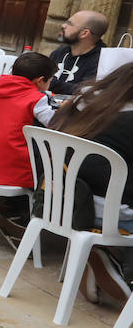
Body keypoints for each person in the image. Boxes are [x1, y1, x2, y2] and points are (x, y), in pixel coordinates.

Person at [49, 63, 133, 299]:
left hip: (60, 200)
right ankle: (125, 273)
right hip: (101, 210)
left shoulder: (80, 104)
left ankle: (103, 258)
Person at [0, 51, 58, 190]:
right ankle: (33, 205)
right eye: (50, 80)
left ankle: (8, 206)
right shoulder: (36, 98)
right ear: (40, 80)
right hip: (20, 172)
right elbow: (53, 123)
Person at [49, 9, 107, 95]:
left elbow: (85, 91)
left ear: (84, 33)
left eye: (69, 24)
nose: (63, 25)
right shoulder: (60, 52)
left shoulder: (103, 61)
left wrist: (50, 83)